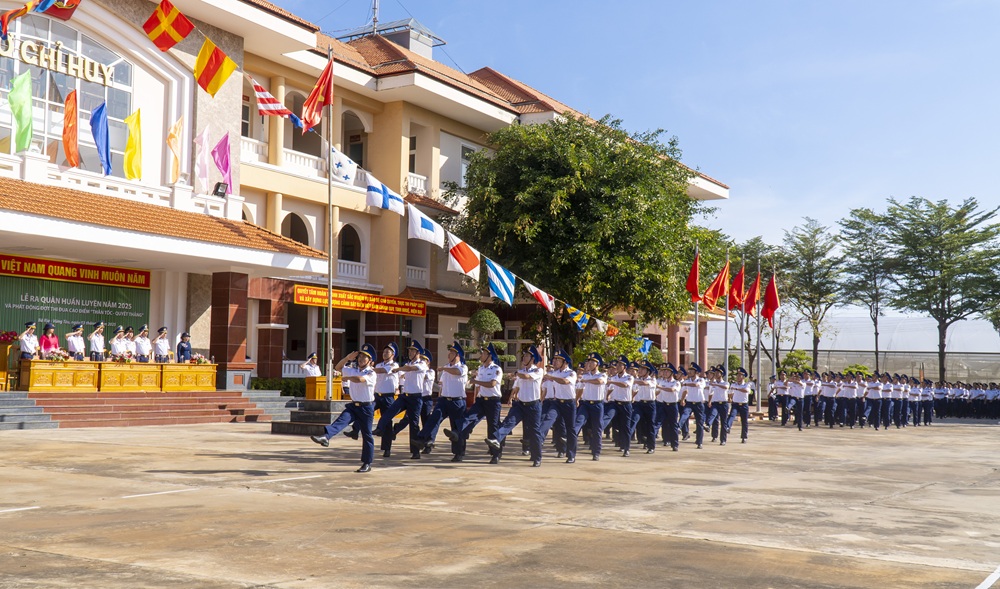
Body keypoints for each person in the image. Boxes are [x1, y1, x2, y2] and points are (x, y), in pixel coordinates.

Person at [309, 344, 377, 473]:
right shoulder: (353, 369)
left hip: (366, 407)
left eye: (364, 357)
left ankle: (367, 463)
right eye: (360, 356)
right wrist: (347, 358)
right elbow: (338, 367)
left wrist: (346, 378)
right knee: (342, 420)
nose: (361, 359)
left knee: (367, 435)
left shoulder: (371, 373)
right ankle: (326, 437)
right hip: (354, 406)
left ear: (370, 360)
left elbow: (360, 379)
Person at [486, 345, 544, 467]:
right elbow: (517, 385)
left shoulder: (538, 370)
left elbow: (527, 377)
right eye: (524, 355)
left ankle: (537, 457)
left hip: (533, 405)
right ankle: (496, 439)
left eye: (527, 356)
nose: (524, 357)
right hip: (520, 405)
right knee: (508, 422)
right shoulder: (521, 371)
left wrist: (516, 373)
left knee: (534, 432)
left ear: (532, 359)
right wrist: (512, 396)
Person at [447, 343, 503, 464]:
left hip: (493, 401)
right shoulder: (481, 369)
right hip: (481, 400)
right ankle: (457, 433)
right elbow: (477, 386)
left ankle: (495, 454)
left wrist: (475, 380)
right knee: (468, 417)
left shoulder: (496, 369)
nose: (481, 355)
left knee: (492, 428)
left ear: (490, 356)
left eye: (483, 353)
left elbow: (492, 384)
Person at [374, 340, 428, 460]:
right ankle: (380, 428)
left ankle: (415, 451)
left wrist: (398, 369)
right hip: (404, 396)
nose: (410, 352)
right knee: (390, 411)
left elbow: (411, 368)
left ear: (418, 353)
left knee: (413, 424)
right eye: (409, 350)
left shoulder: (422, 364)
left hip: (415, 397)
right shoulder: (406, 364)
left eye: (412, 351)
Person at [416, 342, 468, 461]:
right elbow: (442, 384)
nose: (449, 355)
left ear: (458, 356)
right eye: (449, 353)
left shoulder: (462, 367)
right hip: (444, 400)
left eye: (452, 353)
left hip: (457, 401)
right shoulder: (446, 367)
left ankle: (458, 452)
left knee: (456, 427)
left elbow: (457, 372)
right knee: (434, 418)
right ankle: (423, 439)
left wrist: (444, 368)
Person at [541, 349, 577, 462]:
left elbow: (565, 381)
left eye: (558, 360)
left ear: (565, 362)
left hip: (569, 403)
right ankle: (539, 436)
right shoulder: (555, 373)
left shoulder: (571, 373)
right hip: (557, 403)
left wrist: (551, 377)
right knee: (549, 418)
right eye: (555, 359)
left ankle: (571, 454)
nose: (555, 362)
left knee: (570, 429)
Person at [573, 353, 607, 460]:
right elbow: (580, 389)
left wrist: (585, 380)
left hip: (597, 404)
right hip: (585, 404)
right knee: (578, 422)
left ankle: (596, 452)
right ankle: (571, 447)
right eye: (589, 362)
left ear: (597, 364)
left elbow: (599, 382)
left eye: (592, 362)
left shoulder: (602, 375)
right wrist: (577, 399)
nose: (589, 364)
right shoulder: (585, 376)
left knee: (597, 428)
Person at [603, 356, 635, 456]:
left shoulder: (629, 377)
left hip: (626, 404)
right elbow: (611, 387)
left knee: (625, 427)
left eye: (620, 365)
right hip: (615, 403)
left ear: (624, 367)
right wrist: (608, 395)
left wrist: (612, 382)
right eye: (617, 364)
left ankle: (626, 448)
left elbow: (625, 385)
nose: (618, 366)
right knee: (608, 416)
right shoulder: (614, 377)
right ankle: (599, 429)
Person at [679, 362, 707, 449]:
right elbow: (684, 391)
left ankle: (699, 442)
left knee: (700, 423)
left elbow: (696, 385)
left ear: (696, 372)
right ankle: (678, 427)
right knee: (685, 414)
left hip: (699, 403)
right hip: (689, 402)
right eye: (689, 370)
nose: (689, 372)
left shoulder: (701, 380)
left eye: (692, 370)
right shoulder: (687, 381)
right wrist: (682, 399)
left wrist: (686, 384)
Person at [654, 363, 682, 451]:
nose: (665, 373)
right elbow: (657, 392)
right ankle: (651, 440)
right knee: (658, 423)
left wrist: (660, 387)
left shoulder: (676, 383)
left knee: (673, 425)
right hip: (663, 405)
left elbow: (672, 390)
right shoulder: (662, 382)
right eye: (664, 371)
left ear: (671, 373)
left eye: (667, 371)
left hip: (672, 406)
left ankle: (675, 444)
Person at [631, 361, 657, 453]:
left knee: (650, 425)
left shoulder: (652, 380)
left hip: (650, 405)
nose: (640, 371)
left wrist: (633, 380)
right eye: (640, 369)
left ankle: (651, 446)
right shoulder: (638, 380)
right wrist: (632, 397)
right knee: (634, 420)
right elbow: (635, 390)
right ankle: (627, 441)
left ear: (648, 371)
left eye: (642, 369)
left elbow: (645, 384)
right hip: (639, 404)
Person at [726, 367, 753, 443]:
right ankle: (728, 427)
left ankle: (744, 437)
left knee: (744, 421)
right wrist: (730, 398)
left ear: (743, 377)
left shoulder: (747, 385)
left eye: (739, 375)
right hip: (735, 404)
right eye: (737, 375)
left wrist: (737, 389)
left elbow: (746, 391)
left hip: (744, 405)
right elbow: (730, 392)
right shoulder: (733, 384)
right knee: (732, 415)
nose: (737, 377)